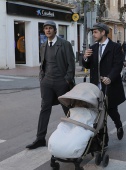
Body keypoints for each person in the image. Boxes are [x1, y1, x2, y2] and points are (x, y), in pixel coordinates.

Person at [26, 21, 75, 150]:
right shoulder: (43, 46)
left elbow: (71, 64)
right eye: (46, 28)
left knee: (68, 110)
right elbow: (43, 63)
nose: (48, 30)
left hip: (61, 82)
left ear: (55, 30)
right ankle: (40, 138)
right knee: (44, 109)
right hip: (47, 82)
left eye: (50, 28)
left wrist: (67, 80)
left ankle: (75, 136)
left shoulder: (65, 44)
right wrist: (42, 78)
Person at [82, 23, 126, 146]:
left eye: (95, 32)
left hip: (110, 86)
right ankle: (103, 141)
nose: (93, 34)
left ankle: (119, 125)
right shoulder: (93, 47)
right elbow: (87, 65)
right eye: (93, 32)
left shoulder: (115, 47)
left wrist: (110, 78)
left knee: (112, 111)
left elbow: (118, 65)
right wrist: (85, 57)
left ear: (103, 32)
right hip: (96, 87)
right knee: (99, 114)